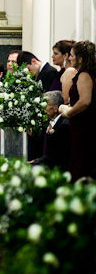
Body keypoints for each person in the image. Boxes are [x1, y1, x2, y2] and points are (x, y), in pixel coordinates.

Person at [59, 41, 96, 181]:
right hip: (83, 126)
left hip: (84, 127)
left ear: (80, 58)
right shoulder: (87, 73)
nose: (69, 58)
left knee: (82, 163)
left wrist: (69, 112)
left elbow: (85, 101)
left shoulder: (84, 75)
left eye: (72, 55)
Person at [30, 90, 70, 171]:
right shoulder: (46, 124)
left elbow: (56, 156)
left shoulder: (63, 126)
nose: (41, 108)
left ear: (55, 108)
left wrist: (35, 163)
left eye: (45, 105)